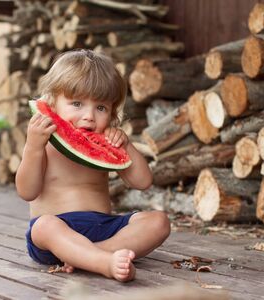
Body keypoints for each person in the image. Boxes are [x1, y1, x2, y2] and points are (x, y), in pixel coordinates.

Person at [16, 49, 170, 282]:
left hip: (103, 227)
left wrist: (125, 145)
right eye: (76, 103)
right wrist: (33, 147)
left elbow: (142, 182)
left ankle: (87, 256)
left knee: (159, 222)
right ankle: (103, 262)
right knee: (43, 226)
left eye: (101, 108)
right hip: (57, 233)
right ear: (52, 102)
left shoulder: (108, 142)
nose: (89, 116)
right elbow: (27, 191)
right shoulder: (45, 143)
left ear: (112, 111)